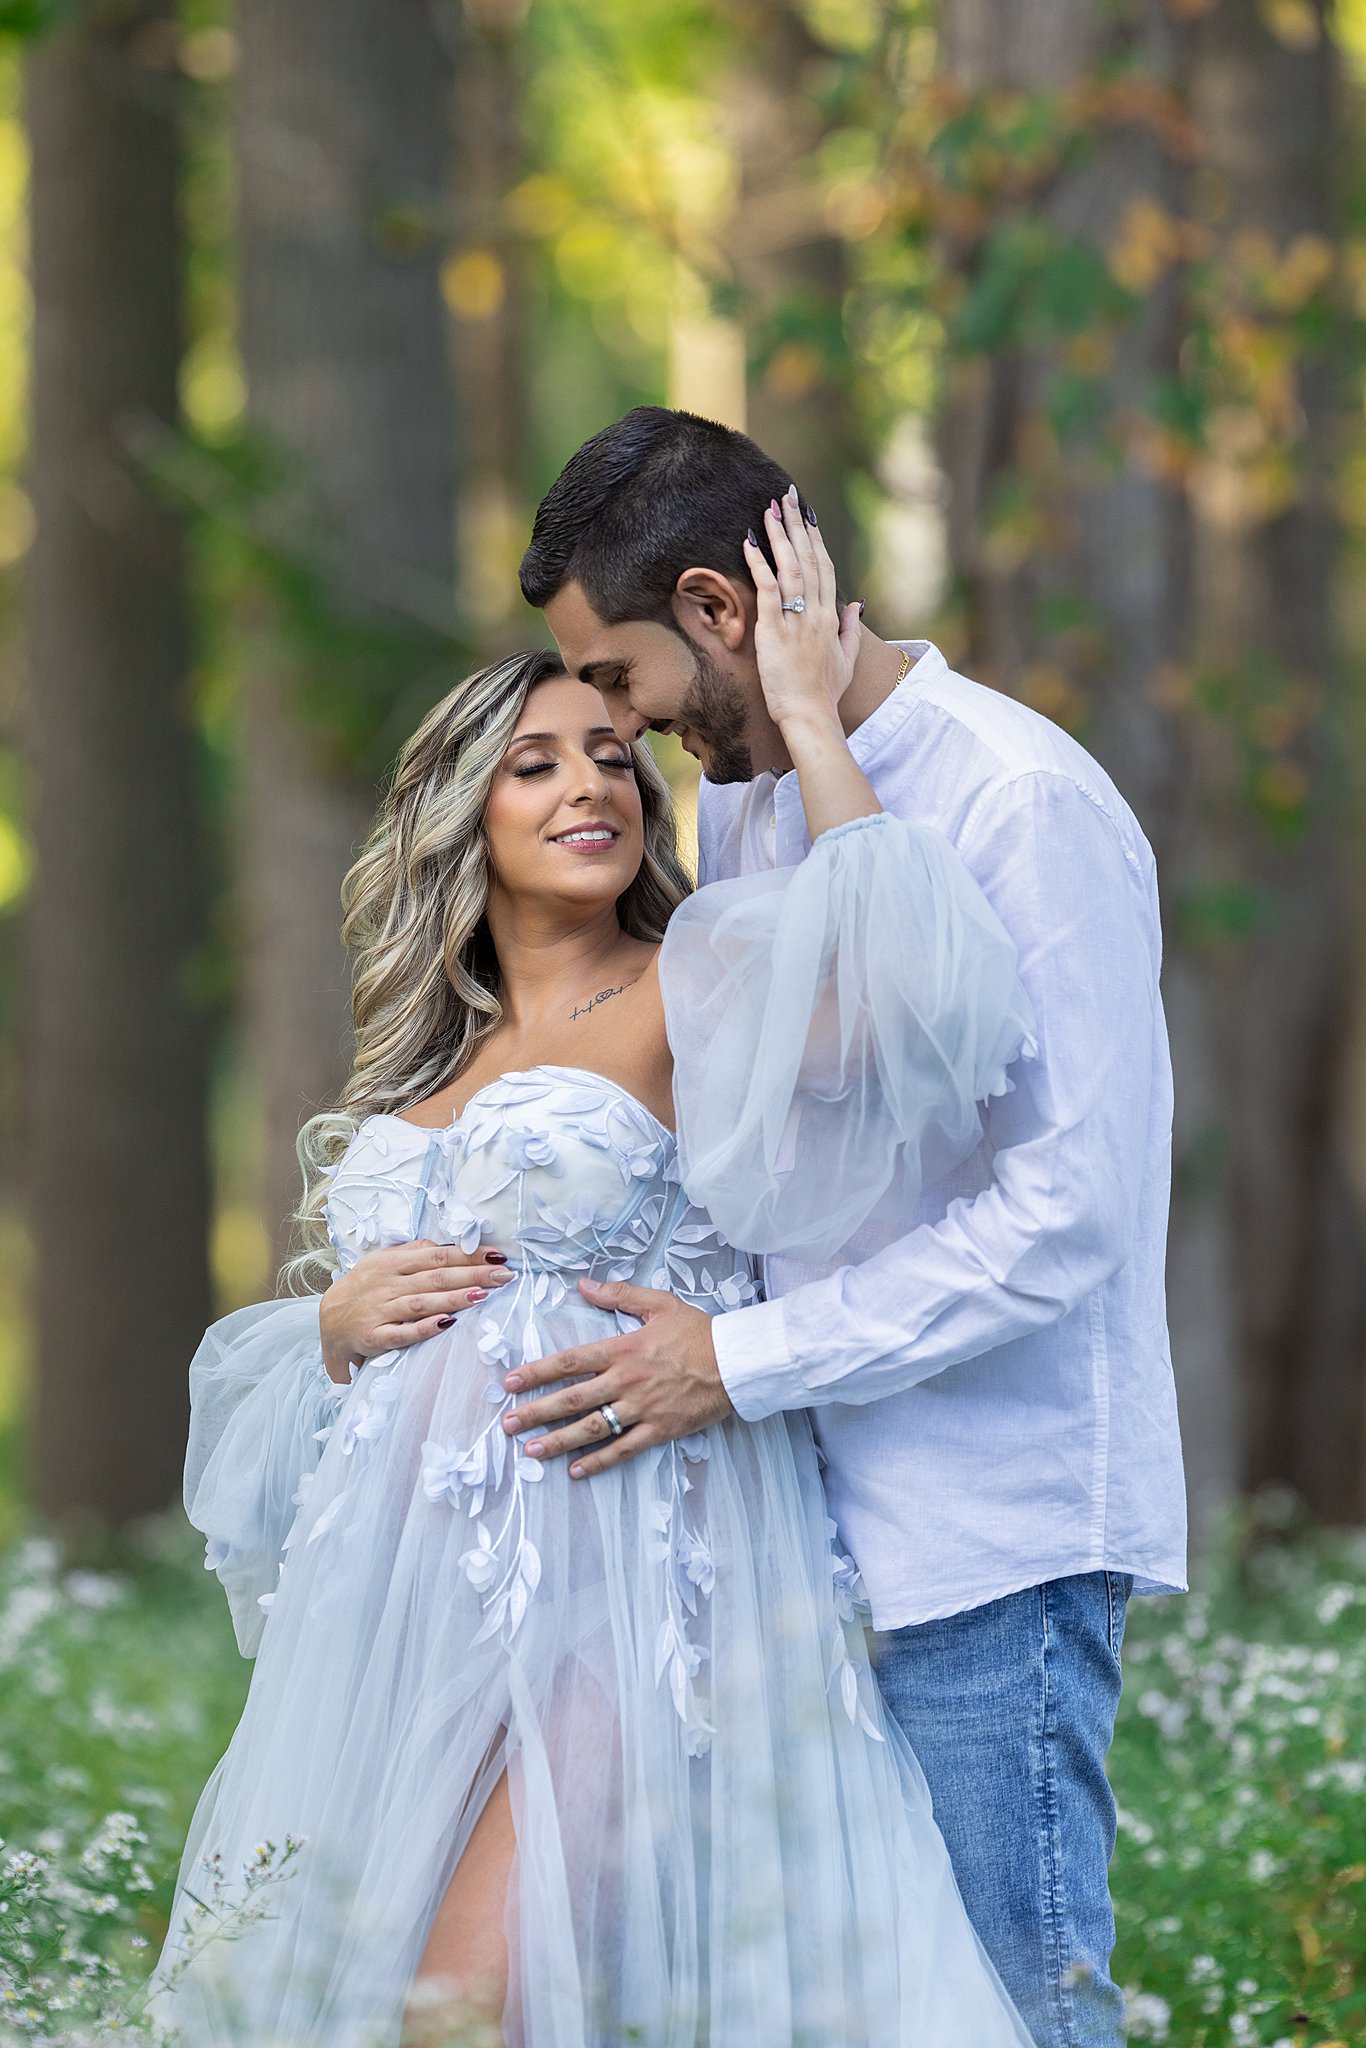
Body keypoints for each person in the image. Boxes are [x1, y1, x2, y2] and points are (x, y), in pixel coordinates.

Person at [147, 508, 1040, 2047]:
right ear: (460, 813)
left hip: (628, 1594)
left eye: (615, 756)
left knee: (468, 2001)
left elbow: (925, 1014)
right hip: (398, 1634)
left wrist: (811, 721)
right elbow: (325, 1382)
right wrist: (331, 1328)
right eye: (537, 763)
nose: (591, 785)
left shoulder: (697, 984)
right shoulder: (420, 1067)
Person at [478, 406, 1186, 2048]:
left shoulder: (1018, 800)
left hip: (983, 1534)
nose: (622, 730)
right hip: (790, 1524)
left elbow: (1063, 1212)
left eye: (622, 680)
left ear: (718, 607)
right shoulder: (744, 802)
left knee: (1013, 2005)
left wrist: (736, 1364)